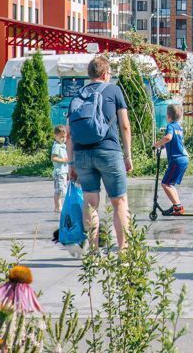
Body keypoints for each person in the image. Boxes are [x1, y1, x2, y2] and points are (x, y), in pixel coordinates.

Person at [66, 55, 133, 251]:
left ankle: (93, 252)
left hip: (82, 156)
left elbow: (69, 135)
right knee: (119, 201)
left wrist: (71, 164)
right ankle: (123, 251)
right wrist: (128, 156)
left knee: (90, 203)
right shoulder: (114, 90)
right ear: (105, 74)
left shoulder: (77, 96)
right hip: (109, 152)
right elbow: (125, 126)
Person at [155, 104, 190, 215]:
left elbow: (168, 138)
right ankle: (177, 205)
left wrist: (156, 144)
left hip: (177, 159)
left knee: (165, 184)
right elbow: (174, 141)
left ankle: (178, 207)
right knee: (170, 184)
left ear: (169, 116)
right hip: (184, 158)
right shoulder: (179, 128)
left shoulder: (170, 126)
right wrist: (163, 146)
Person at [51, 125, 71, 213]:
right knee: (58, 191)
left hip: (63, 171)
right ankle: (58, 207)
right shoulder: (57, 146)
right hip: (59, 172)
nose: (63, 139)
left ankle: (58, 207)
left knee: (61, 190)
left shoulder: (62, 145)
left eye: (64, 137)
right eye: (61, 137)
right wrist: (63, 160)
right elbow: (53, 158)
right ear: (55, 136)